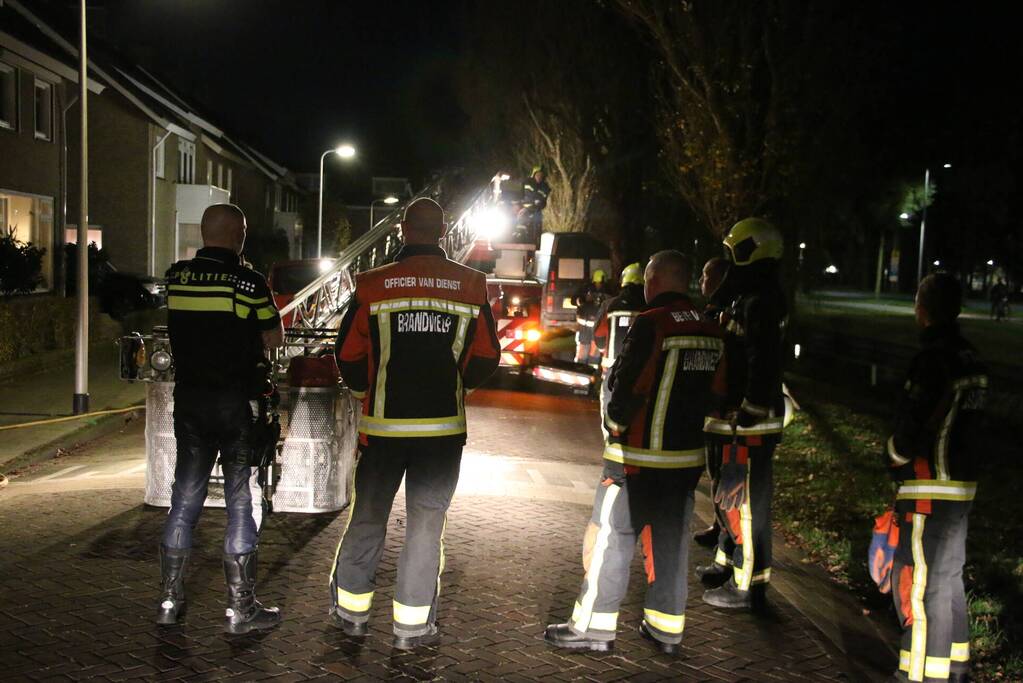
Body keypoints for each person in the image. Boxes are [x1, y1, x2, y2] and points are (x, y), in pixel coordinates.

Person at [328, 198, 500, 649]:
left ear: (404, 230)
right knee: (427, 524)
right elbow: (486, 356)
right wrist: (456, 386)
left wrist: (369, 392)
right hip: (442, 433)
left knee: (367, 516)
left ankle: (352, 613)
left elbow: (346, 354)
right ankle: (412, 627)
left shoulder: (372, 284)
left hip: (383, 429)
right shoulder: (471, 285)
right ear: (443, 232)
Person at [544, 250, 727, 654]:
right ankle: (666, 630)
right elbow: (721, 394)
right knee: (671, 543)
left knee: (611, 537)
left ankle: (592, 628)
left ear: (654, 280)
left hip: (636, 459)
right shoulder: (712, 329)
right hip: (685, 462)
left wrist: (615, 427)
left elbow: (629, 385)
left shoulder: (651, 323)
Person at [158, 204, 284, 634]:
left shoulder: (177, 276)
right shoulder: (249, 282)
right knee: (240, 500)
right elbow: (273, 336)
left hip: (190, 401)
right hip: (235, 403)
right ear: (239, 235)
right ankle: (240, 609)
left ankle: (169, 599)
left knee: (185, 498)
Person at [886, 273, 987, 683]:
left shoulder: (932, 359)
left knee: (924, 587)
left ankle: (923, 674)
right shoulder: (972, 359)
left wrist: (894, 457)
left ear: (921, 308)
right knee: (949, 577)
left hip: (929, 484)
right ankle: (956, 666)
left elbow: (914, 422)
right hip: (962, 484)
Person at [701, 218, 787, 610]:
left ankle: (746, 586)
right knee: (733, 501)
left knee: (747, 506)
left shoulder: (763, 302)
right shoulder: (749, 295)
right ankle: (730, 562)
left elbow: (763, 360)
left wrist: (749, 410)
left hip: (750, 423)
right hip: (739, 419)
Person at [692, 257, 731, 551]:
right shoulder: (714, 310)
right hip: (714, 411)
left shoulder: (723, 312)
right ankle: (719, 527)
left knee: (722, 475)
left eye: (706, 276)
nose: (702, 281)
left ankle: (725, 531)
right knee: (716, 473)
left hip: (722, 412)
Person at [572, 270, 610, 364]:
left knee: (594, 351)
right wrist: (581, 301)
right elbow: (574, 301)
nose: (598, 285)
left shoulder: (608, 291)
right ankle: (580, 370)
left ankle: (592, 371)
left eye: (600, 283)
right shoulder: (586, 290)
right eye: (597, 283)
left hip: (596, 327)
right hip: (585, 326)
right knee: (583, 350)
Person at [519, 165, 551, 240]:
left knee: (537, 225)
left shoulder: (544, 186)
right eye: (538, 175)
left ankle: (536, 241)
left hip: (536, 210)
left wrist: (537, 202)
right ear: (534, 175)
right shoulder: (527, 182)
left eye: (541, 175)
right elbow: (524, 194)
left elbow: (543, 200)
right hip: (524, 209)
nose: (539, 177)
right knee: (519, 223)